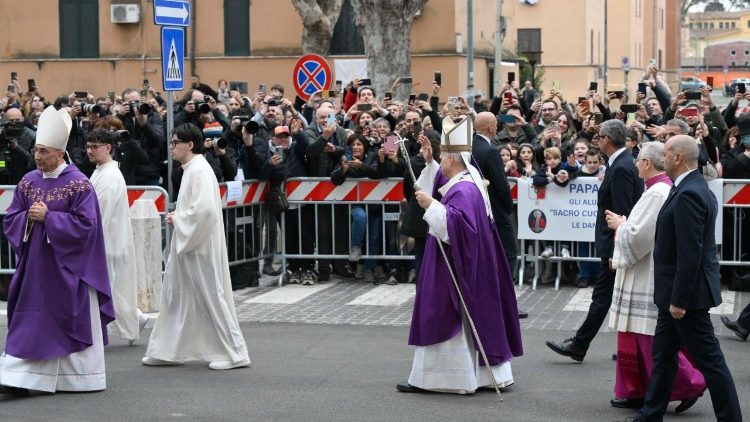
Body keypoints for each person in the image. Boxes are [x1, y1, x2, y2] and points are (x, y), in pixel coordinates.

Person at [397, 116, 523, 394]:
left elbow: (459, 228)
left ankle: (445, 379)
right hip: (465, 262)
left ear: (454, 159)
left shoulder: (464, 189)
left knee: (444, 312)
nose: (441, 160)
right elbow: (440, 182)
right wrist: (429, 162)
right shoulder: (466, 178)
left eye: (442, 156)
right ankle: (478, 376)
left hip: (454, 266)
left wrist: (431, 205)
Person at [0, 106, 115, 395]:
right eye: (36, 151)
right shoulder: (28, 181)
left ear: (60, 154)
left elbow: (87, 227)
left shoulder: (79, 184)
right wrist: (28, 217)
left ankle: (77, 378)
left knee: (67, 317)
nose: (37, 156)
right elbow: (12, 217)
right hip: (35, 267)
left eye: (43, 151)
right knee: (30, 318)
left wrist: (49, 218)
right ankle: (20, 376)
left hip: (69, 269)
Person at [627, 135, 741, 422]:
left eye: (666, 153)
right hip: (675, 295)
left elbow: (690, 255)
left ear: (678, 157)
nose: (662, 158)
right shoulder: (689, 187)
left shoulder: (690, 193)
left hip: (686, 298)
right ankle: (649, 415)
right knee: (663, 358)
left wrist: (679, 300)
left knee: (711, 363)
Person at [604, 142, 705, 413]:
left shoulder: (658, 192)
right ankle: (637, 391)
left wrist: (620, 225)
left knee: (649, 339)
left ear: (647, 163)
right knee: (639, 337)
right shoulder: (656, 190)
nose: (635, 164)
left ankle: (689, 384)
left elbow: (641, 236)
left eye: (638, 160)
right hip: (643, 269)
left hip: (646, 273)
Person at [142, 123, 250, 370]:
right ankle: (166, 349)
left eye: (175, 143)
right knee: (176, 297)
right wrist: (179, 217)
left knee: (211, 296)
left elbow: (205, 211)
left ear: (189, 145)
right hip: (189, 241)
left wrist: (177, 219)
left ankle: (236, 353)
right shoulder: (192, 169)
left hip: (198, 244)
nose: (171, 147)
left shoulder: (199, 170)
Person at [546, 119, 643, 362]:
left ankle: (580, 345)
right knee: (615, 296)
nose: (597, 140)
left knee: (603, 297)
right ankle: (625, 347)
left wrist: (615, 251)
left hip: (615, 245)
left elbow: (622, 213)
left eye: (600, 136)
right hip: (616, 244)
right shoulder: (619, 163)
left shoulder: (620, 167)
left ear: (607, 140)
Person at [87, 129, 148, 345]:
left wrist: (88, 241)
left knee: (103, 289)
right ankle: (136, 318)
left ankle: (96, 334)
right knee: (115, 289)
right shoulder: (100, 171)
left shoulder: (110, 175)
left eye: (95, 146)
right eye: (88, 146)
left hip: (106, 241)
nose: (89, 151)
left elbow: (99, 213)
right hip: (108, 239)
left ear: (108, 148)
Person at [473, 112, 526, 317]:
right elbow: (501, 186)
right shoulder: (490, 151)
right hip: (494, 210)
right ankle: (505, 304)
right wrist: (506, 208)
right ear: (492, 128)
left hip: (476, 210)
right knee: (507, 254)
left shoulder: (469, 148)